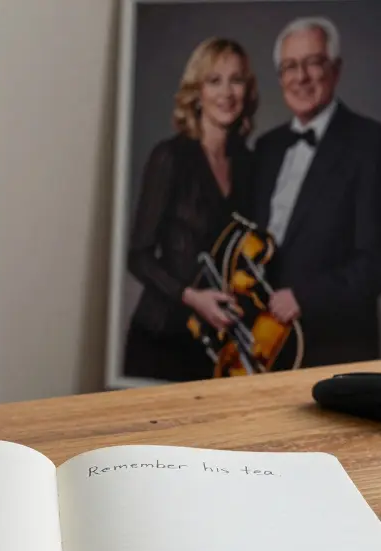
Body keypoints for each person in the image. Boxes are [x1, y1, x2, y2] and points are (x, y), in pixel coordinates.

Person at [251, 17, 381, 368]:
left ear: (336, 69)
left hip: (333, 348)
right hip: (261, 345)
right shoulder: (266, 148)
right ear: (279, 77)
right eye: (289, 66)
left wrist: (304, 297)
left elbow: (380, 262)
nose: (300, 77)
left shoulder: (374, 144)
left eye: (313, 62)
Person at [123, 37, 258, 382]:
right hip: (160, 338)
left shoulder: (249, 164)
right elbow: (137, 256)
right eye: (214, 81)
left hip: (217, 346)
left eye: (236, 80)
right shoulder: (169, 157)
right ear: (196, 92)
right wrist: (192, 297)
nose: (227, 93)